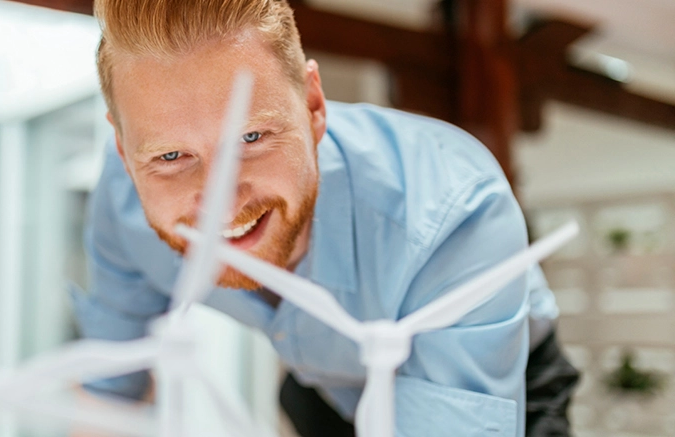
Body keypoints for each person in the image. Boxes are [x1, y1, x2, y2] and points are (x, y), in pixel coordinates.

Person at [70, 0, 580, 435]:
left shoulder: (453, 209)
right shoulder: (122, 205)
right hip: (324, 386)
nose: (222, 203)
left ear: (313, 104)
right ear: (121, 146)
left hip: (489, 371)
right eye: (170, 158)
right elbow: (111, 388)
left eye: (251, 138)